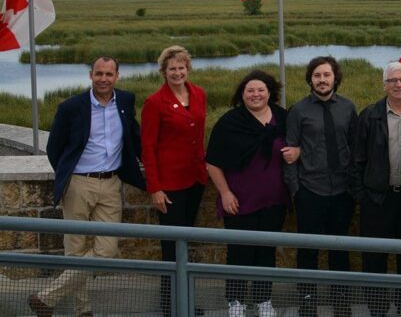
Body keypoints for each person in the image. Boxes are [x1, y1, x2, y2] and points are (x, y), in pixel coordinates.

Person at [29, 56, 146, 317]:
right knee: (75, 249)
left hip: (112, 182)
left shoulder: (126, 101)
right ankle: (83, 311)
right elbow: (54, 148)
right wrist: (67, 176)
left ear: (117, 76)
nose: (103, 79)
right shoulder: (71, 107)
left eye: (108, 74)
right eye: (98, 74)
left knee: (107, 249)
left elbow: (134, 138)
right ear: (90, 75)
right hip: (78, 185)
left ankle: (45, 298)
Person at [205, 70, 294, 317]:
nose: (256, 94)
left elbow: (296, 146)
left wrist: (296, 152)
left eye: (261, 90)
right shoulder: (230, 122)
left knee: (266, 252)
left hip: (274, 200)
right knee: (239, 253)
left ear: (270, 92)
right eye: (250, 90)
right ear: (242, 94)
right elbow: (212, 162)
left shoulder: (282, 117)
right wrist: (225, 193)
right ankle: (235, 301)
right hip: (240, 200)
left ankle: (263, 300)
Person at [284, 56, 357, 317]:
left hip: (342, 191)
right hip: (310, 190)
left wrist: (353, 188)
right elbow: (289, 151)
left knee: (339, 249)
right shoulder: (298, 110)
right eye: (317, 75)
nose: (322, 80)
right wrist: (296, 190)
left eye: (327, 75)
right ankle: (307, 302)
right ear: (310, 79)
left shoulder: (348, 107)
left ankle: (341, 301)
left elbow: (355, 147)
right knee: (308, 251)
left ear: (335, 77)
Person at [141, 45, 208, 315]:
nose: (177, 72)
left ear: (187, 69)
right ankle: (170, 304)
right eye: (172, 69)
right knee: (171, 247)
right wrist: (155, 188)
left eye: (181, 67)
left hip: (194, 180)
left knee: (187, 243)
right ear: (163, 72)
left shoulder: (199, 94)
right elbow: (148, 149)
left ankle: (186, 299)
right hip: (169, 185)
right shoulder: (155, 102)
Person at [353, 62, 401, 317]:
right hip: (378, 199)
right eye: (392, 80)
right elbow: (357, 159)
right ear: (384, 85)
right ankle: (378, 308)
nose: (398, 85)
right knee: (375, 258)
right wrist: (363, 196)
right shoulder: (369, 115)